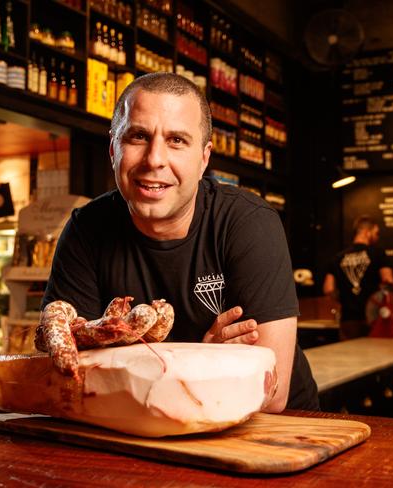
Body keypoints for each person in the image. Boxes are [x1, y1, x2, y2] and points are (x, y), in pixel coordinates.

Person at [42, 72, 319, 412]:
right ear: (114, 149)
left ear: (204, 159)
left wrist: (131, 363)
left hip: (277, 433)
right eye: (139, 136)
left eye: (176, 141)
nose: (154, 159)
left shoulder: (248, 222)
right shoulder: (85, 229)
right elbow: (71, 378)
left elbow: (270, 392)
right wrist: (201, 359)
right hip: (137, 432)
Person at [323, 215, 393, 340]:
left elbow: (328, 289)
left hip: (348, 319)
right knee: (377, 357)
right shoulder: (378, 254)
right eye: (376, 233)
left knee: (350, 357)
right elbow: (388, 280)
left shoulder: (338, 257)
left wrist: (346, 300)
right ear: (367, 232)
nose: (377, 237)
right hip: (374, 318)